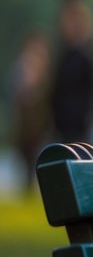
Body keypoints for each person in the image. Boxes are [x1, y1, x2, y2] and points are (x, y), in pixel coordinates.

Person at [50, 0, 93, 144]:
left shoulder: (90, 55)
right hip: (64, 128)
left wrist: (87, 120)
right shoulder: (64, 54)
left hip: (82, 129)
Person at [8, 30, 52, 192]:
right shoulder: (20, 69)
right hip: (25, 128)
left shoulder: (47, 70)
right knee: (26, 162)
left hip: (41, 126)